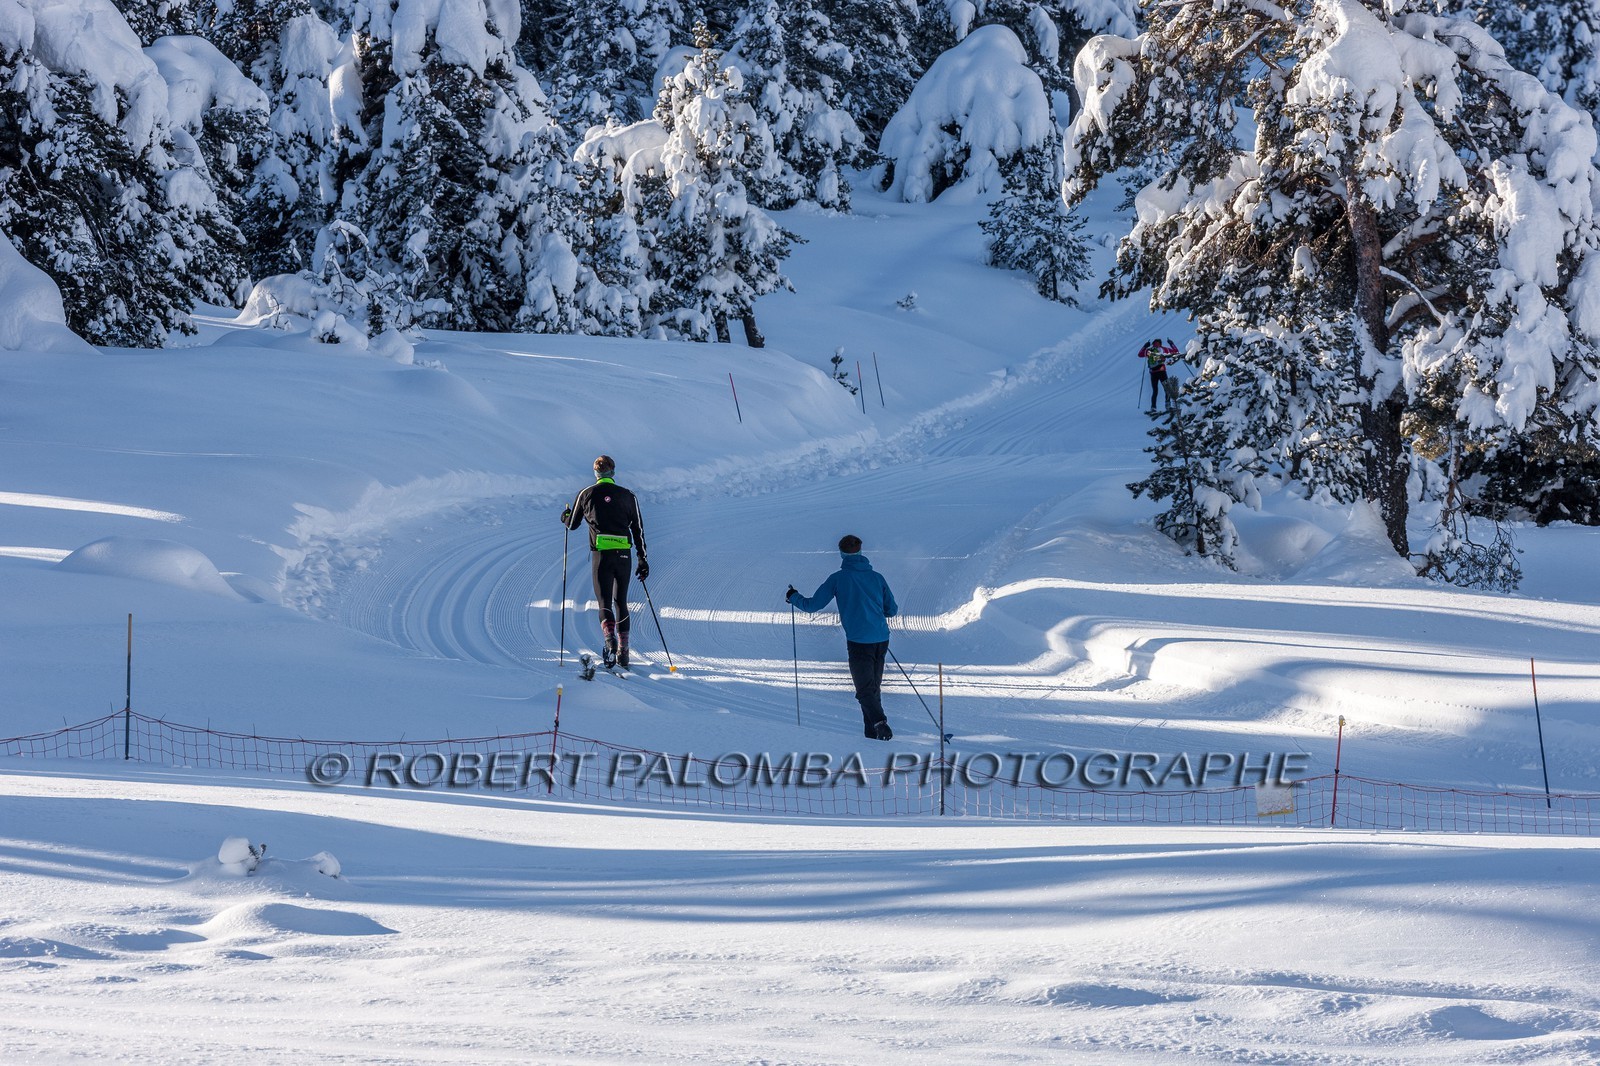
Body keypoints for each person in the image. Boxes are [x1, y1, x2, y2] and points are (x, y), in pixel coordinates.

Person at [786, 535, 900, 740]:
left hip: (858, 642)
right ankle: (872, 736)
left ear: (842, 553)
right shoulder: (877, 578)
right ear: (861, 552)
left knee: (865, 690)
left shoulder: (838, 579)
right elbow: (891, 610)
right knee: (872, 688)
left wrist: (793, 596)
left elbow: (812, 605)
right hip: (881, 638)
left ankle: (879, 723)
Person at [562, 455, 648, 669]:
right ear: (614, 472)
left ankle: (610, 644)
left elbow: (572, 524)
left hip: (601, 555)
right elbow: (638, 529)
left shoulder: (586, 494)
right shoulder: (629, 496)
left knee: (604, 603)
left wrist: (565, 515)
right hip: (624, 555)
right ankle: (624, 651)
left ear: (595, 473)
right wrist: (642, 559)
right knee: (621, 602)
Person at [1137, 337, 1180, 412]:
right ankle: (1168, 406)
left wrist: (1145, 346)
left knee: (1155, 390)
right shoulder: (1164, 349)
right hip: (1162, 371)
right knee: (1167, 389)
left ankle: (1153, 407)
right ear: (1160, 343)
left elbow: (1140, 354)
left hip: (1153, 373)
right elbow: (1176, 352)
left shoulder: (1149, 350)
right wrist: (1171, 343)